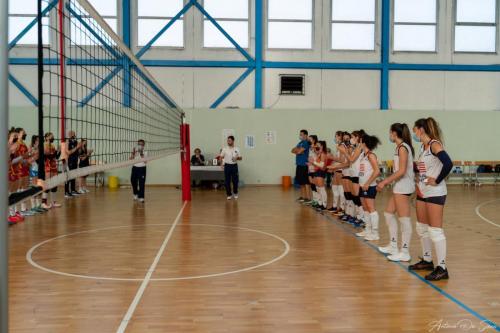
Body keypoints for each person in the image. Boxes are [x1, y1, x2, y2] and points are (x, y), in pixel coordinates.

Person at [409, 118, 452, 281]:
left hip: (435, 192)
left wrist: (438, 179)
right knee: (421, 227)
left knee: (435, 230)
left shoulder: (435, 144)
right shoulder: (423, 147)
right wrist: (419, 182)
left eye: (415, 131)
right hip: (423, 191)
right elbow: (425, 169)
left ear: (421, 129)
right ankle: (427, 260)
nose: (414, 134)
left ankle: (442, 268)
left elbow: (448, 163)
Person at [376, 123, 415, 262]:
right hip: (399, 186)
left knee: (404, 220)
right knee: (388, 213)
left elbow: (402, 171)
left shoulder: (403, 148)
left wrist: (384, 182)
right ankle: (393, 245)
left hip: (404, 187)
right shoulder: (399, 147)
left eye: (390, 132)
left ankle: (405, 252)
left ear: (394, 133)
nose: (389, 135)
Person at [359, 134, 381, 241]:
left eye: (360, 142)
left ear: (364, 143)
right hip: (362, 186)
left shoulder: (371, 155)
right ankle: (368, 229)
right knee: (365, 208)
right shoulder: (363, 155)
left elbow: (377, 171)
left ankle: (375, 232)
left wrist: (367, 183)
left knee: (371, 208)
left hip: (369, 186)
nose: (359, 144)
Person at [42, 132, 61, 209]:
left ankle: (53, 202)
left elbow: (56, 157)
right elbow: (48, 156)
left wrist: (59, 151)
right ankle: (44, 202)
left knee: (54, 183)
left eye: (53, 136)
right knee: (47, 184)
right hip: (47, 166)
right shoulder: (45, 145)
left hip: (53, 165)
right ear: (46, 137)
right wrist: (56, 151)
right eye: (51, 136)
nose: (53, 138)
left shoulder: (52, 145)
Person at [219, 136, 242, 200]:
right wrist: (221, 164)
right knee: (227, 181)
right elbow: (221, 157)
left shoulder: (237, 149)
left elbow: (241, 158)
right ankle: (229, 194)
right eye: (228, 140)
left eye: (230, 140)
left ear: (233, 141)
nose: (228, 141)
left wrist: (236, 158)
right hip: (227, 166)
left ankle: (235, 193)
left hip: (234, 166)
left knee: (235, 181)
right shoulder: (224, 149)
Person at [291, 129, 310, 202]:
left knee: (306, 182)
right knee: (301, 182)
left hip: (304, 165)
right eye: (300, 134)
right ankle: (302, 197)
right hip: (298, 164)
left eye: (301, 134)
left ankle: (308, 198)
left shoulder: (306, 143)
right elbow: (292, 150)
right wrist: (297, 151)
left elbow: (299, 152)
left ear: (305, 135)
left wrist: (298, 151)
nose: (300, 136)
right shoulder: (300, 143)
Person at [308, 141, 328, 211]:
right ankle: (320, 203)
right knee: (318, 188)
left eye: (318, 145)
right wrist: (311, 163)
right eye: (316, 145)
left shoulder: (323, 154)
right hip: (317, 171)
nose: (316, 146)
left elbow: (322, 165)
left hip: (321, 172)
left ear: (322, 146)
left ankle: (324, 204)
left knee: (321, 188)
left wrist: (313, 162)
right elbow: (316, 164)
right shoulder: (318, 154)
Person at [64, 130, 82, 198]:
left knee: (74, 175)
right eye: (72, 134)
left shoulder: (76, 141)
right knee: (68, 176)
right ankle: (66, 192)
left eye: (74, 134)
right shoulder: (67, 142)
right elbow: (68, 152)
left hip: (75, 160)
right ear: (69, 135)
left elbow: (78, 152)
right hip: (69, 161)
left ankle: (73, 190)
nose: (74, 135)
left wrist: (80, 146)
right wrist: (77, 147)